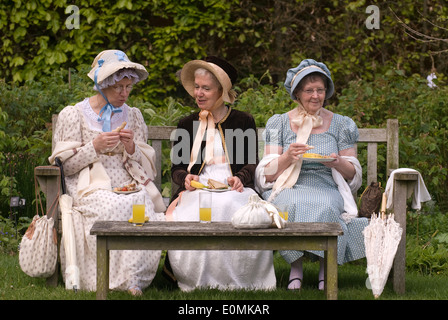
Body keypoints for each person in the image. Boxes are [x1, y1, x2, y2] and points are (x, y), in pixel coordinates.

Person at [48, 49, 166, 295]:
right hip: (89, 184)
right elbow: (64, 168)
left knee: (139, 202)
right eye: (118, 88)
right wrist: (94, 147)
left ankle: (134, 279)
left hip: (126, 181)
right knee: (112, 206)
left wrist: (131, 147)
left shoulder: (132, 115)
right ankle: (109, 279)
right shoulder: (75, 114)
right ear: (102, 85)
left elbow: (146, 168)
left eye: (128, 87)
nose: (124, 94)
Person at [255, 59, 368, 290]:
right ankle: (295, 269)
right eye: (309, 91)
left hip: (327, 186)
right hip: (288, 186)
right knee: (289, 205)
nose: (315, 96)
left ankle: (327, 269)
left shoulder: (341, 124)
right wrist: (287, 157)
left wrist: (338, 162)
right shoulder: (279, 123)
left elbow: (353, 174)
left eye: (320, 90)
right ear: (297, 93)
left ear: (326, 92)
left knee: (326, 206)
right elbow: (266, 174)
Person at [165, 56, 276, 291]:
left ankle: (241, 280)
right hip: (197, 188)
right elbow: (177, 169)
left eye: (206, 88)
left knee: (230, 206)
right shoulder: (187, 124)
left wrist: (240, 178)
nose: (199, 93)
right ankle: (195, 279)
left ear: (221, 91)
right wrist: (185, 178)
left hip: (233, 187)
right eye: (197, 87)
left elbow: (250, 164)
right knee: (196, 210)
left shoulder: (242, 121)